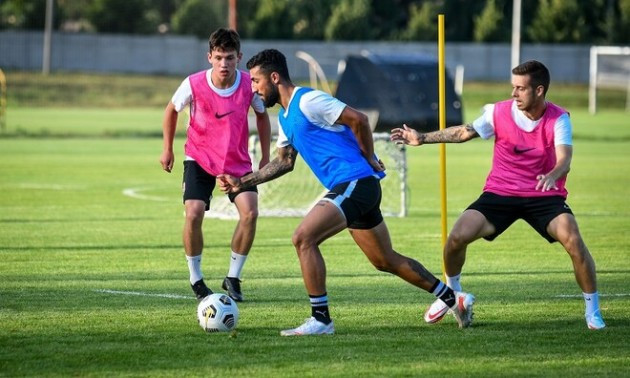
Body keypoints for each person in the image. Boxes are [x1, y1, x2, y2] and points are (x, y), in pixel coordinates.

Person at [218, 48, 475, 336]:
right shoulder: (286, 119)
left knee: (303, 238)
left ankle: (321, 319)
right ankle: (454, 298)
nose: (253, 88)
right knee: (384, 260)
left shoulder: (310, 101)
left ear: (274, 77)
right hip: (355, 187)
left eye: (255, 81)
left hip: (355, 181)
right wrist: (243, 182)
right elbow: (284, 162)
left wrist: (368, 156)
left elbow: (359, 120)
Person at [391, 60, 605, 330]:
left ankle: (593, 312)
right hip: (500, 193)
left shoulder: (558, 118)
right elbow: (463, 132)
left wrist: (553, 174)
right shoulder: (498, 112)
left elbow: (565, 159)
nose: (514, 94)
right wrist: (422, 138)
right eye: (513, 87)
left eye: (520, 88)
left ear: (539, 91)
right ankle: (452, 295)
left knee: (574, 241)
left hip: (543, 195)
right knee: (456, 238)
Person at [160, 28, 271, 303]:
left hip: (237, 162)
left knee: (251, 213)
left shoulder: (248, 84)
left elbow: (262, 116)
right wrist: (167, 149)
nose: (224, 64)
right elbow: (171, 110)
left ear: (239, 57)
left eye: (230, 58)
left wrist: (266, 157)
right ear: (209, 56)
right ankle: (196, 278)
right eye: (219, 57)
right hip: (199, 158)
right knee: (194, 213)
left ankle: (233, 277)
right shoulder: (193, 83)